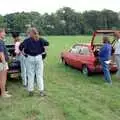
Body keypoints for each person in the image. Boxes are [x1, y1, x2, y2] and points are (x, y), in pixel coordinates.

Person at [19, 27, 46, 96]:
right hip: (38, 58)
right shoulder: (40, 39)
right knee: (39, 75)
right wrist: (44, 51)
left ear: (30, 33)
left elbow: (20, 47)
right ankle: (41, 92)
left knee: (30, 75)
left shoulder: (27, 40)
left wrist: (24, 54)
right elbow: (47, 44)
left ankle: (31, 91)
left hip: (30, 58)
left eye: (28, 33)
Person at [0, 28, 12, 98]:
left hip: (1, 63)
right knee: (3, 79)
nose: (5, 34)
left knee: (1, 79)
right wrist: (4, 63)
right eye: (3, 32)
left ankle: (3, 91)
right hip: (2, 63)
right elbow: (1, 53)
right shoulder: (0, 41)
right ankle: (3, 94)